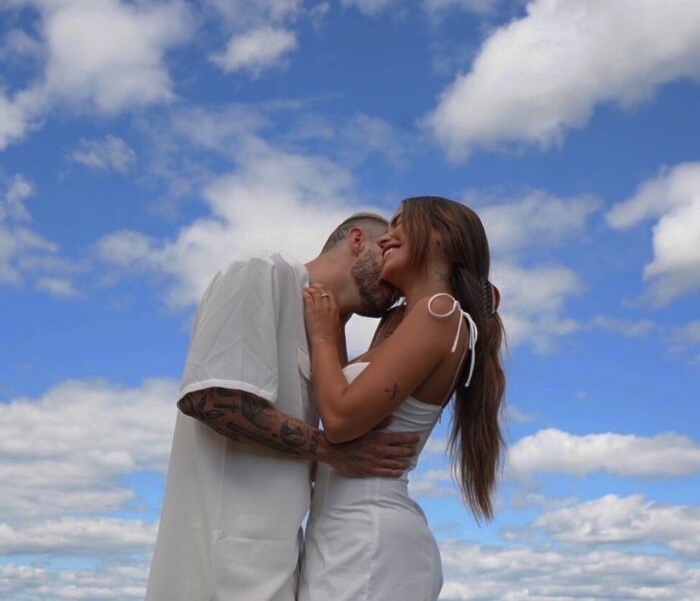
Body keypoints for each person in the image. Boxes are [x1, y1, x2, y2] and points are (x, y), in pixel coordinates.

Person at [144, 212, 420, 601]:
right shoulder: (261, 272)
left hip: (281, 558)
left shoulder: (324, 334)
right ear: (357, 240)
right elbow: (209, 399)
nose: (395, 274)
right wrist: (331, 451)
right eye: (387, 248)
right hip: (222, 565)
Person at [298, 196, 506, 600]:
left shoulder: (440, 312)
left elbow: (339, 419)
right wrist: (337, 322)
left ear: (440, 235)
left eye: (398, 224)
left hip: (370, 541)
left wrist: (322, 333)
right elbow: (343, 395)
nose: (386, 237)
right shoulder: (402, 321)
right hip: (340, 535)